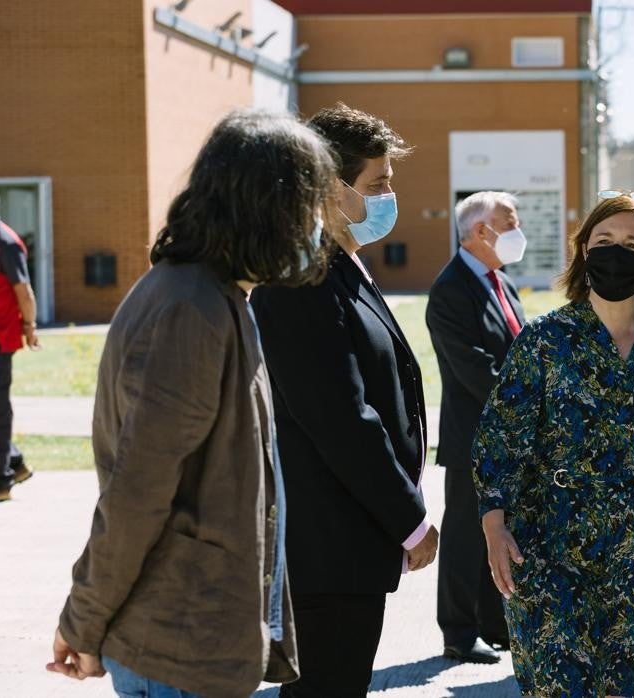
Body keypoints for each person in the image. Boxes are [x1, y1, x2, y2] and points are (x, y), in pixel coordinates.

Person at [49, 109, 337, 696]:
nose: (318, 224)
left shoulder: (216, 295)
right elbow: (138, 492)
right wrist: (83, 620)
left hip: (194, 642)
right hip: (176, 650)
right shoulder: (191, 309)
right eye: (310, 205)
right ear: (268, 207)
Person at [473, 190, 634, 696]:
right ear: (585, 251)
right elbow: (500, 436)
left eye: (632, 243)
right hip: (551, 554)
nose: (616, 251)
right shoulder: (544, 339)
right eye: (604, 239)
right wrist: (493, 524)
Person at [249, 103, 437, 698]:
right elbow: (343, 419)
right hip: (326, 550)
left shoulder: (338, 266)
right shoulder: (299, 279)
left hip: (350, 545)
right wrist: (410, 522)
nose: (388, 195)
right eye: (377, 183)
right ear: (331, 187)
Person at [427, 191, 526, 665]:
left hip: (507, 436)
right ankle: (459, 631)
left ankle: (493, 622)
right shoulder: (450, 290)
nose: (517, 229)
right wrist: (529, 403)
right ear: (480, 231)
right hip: (473, 437)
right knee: (467, 533)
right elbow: (476, 369)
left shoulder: (500, 282)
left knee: (501, 530)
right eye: (509, 222)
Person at [0, 199, 38, 503]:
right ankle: (15, 463)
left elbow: (22, 290)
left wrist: (30, 325)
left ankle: (2, 480)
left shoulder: (6, 241)